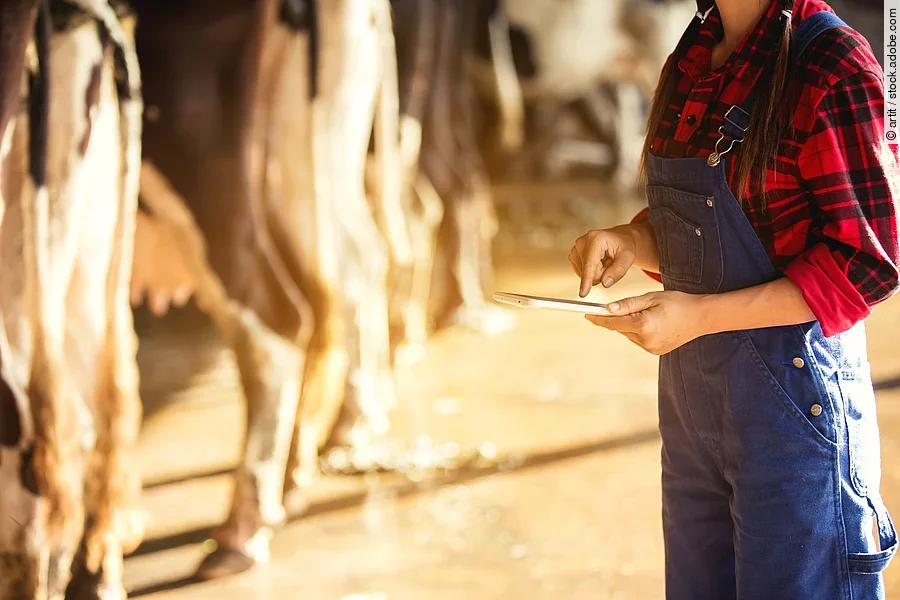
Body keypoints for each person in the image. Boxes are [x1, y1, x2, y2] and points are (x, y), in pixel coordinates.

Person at [568, 0, 900, 598]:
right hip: (694, 408)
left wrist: (698, 316)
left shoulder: (833, 65)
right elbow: (716, 223)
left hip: (796, 415)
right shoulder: (693, 57)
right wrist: (633, 238)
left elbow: (867, 264)